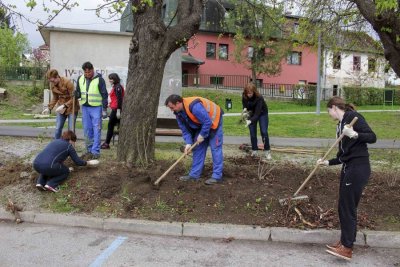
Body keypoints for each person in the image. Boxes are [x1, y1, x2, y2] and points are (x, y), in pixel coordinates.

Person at [317, 96, 377, 261]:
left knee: (348, 207)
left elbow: (372, 137)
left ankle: (347, 248)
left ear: (335, 107)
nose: (329, 114)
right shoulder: (340, 124)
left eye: (329, 111)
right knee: (343, 206)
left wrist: (355, 134)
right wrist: (327, 162)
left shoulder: (352, 117)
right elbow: (343, 155)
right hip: (348, 166)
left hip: (358, 168)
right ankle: (344, 241)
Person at [165, 94, 224, 185]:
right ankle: (194, 175)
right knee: (198, 148)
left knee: (215, 148)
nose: (172, 110)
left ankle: (217, 176)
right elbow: (185, 131)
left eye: (172, 107)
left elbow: (207, 121)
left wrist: (202, 135)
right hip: (202, 125)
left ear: (178, 103)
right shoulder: (178, 114)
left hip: (214, 121)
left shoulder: (194, 106)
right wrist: (188, 143)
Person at [33, 130, 99, 193]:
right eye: (74, 141)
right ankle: (51, 184)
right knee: (65, 171)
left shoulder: (55, 141)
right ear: (70, 140)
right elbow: (78, 162)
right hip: (49, 166)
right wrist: (88, 163)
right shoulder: (69, 146)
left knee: (45, 167)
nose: (74, 144)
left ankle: (40, 183)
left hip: (36, 164)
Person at [75, 62, 108, 159]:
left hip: (96, 107)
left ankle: (95, 152)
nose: (87, 74)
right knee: (87, 129)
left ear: (92, 70)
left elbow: (104, 95)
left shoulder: (100, 80)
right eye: (85, 73)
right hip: (85, 107)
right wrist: (76, 94)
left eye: (89, 72)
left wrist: (104, 109)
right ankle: (89, 150)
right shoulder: (80, 79)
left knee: (96, 129)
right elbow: (79, 93)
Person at [42, 69, 80, 139]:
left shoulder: (67, 82)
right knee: (58, 128)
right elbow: (55, 98)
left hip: (72, 107)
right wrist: (49, 108)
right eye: (50, 81)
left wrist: (65, 105)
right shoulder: (53, 85)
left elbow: (74, 98)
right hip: (61, 108)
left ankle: (70, 146)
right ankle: (57, 144)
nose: (52, 83)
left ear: (57, 77)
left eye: (53, 81)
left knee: (71, 129)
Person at [241, 82, 271, 160]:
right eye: (247, 93)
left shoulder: (259, 98)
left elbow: (257, 114)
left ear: (254, 91)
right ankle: (254, 150)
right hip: (251, 113)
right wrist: (244, 112)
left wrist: (250, 121)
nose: (249, 95)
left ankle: (267, 151)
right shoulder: (244, 95)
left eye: (250, 93)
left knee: (264, 131)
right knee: (252, 132)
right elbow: (244, 106)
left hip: (261, 113)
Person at [101, 73, 125, 149]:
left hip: (116, 110)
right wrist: (110, 104)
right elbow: (115, 99)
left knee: (110, 126)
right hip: (114, 108)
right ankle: (107, 143)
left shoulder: (118, 87)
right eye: (109, 79)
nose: (110, 80)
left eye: (111, 79)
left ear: (115, 79)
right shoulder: (116, 86)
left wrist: (118, 110)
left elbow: (119, 99)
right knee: (114, 126)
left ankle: (106, 143)